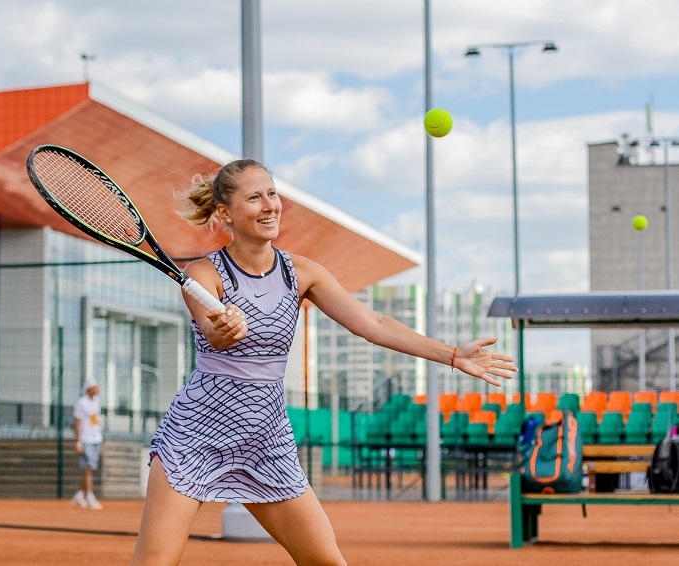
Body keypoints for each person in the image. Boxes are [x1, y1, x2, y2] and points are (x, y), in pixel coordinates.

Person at [130, 159, 518, 565]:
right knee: (155, 562)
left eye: (272, 193)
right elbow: (214, 333)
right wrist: (225, 328)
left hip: (265, 438)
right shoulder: (202, 274)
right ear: (225, 213)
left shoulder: (302, 273)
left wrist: (453, 355)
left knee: (326, 562)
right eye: (255, 197)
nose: (270, 205)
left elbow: (372, 323)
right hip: (197, 434)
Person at [72, 377, 103, 510]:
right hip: (86, 439)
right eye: (95, 386)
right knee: (88, 468)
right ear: (89, 388)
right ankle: (90, 497)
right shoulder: (81, 403)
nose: (98, 388)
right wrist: (78, 442)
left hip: (96, 438)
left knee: (89, 468)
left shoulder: (97, 401)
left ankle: (79, 495)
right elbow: (77, 423)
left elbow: (96, 419)